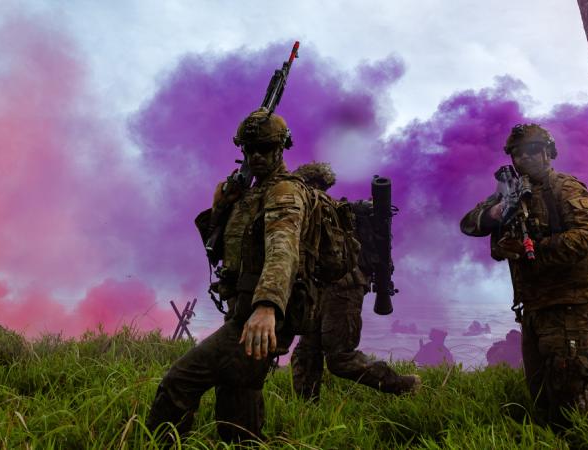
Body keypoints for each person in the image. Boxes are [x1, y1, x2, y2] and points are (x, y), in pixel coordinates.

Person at [146, 108, 319, 442]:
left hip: (259, 319)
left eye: (265, 148)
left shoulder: (283, 192)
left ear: (281, 148)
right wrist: (222, 205)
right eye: (249, 149)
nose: (256, 156)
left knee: (179, 382)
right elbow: (222, 250)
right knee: (237, 401)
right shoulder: (251, 194)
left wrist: (267, 306)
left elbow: (284, 251)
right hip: (243, 314)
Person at [460, 123, 588, 426]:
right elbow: (468, 224)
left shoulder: (566, 189)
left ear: (547, 153)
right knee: (544, 396)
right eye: (518, 153)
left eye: (532, 151)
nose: (524, 158)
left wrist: (536, 247)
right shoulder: (511, 195)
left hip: (571, 303)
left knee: (567, 394)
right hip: (534, 307)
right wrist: (496, 212)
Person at [289, 162, 420, 401]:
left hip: (344, 288)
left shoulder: (322, 209)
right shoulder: (321, 209)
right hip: (320, 288)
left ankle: (404, 386)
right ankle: (306, 409)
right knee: (307, 353)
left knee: (340, 358)